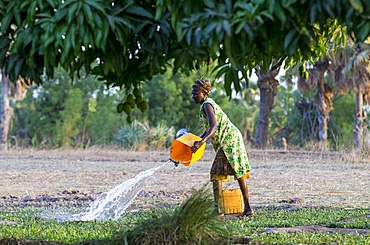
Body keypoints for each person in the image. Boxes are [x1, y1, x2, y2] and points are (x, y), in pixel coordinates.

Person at [190, 77, 253, 217]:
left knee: (217, 172)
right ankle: (247, 209)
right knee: (238, 173)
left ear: (205, 93)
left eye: (196, 93)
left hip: (229, 140)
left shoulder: (207, 104)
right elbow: (208, 130)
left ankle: (218, 210)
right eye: (192, 94)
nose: (193, 96)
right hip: (231, 138)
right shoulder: (205, 105)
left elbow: (214, 127)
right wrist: (198, 141)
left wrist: (201, 142)